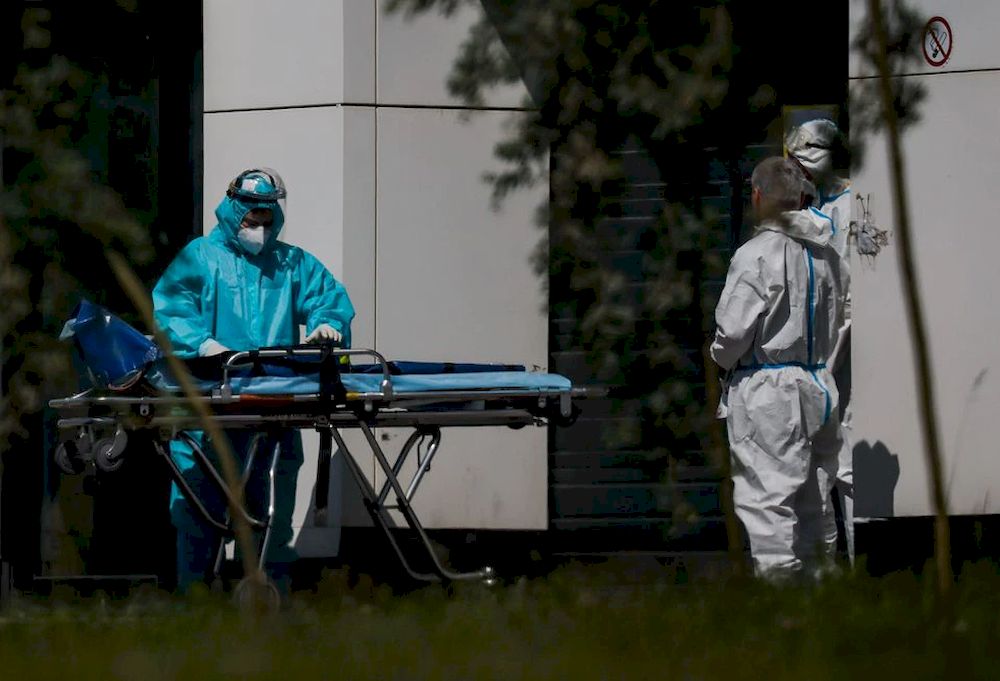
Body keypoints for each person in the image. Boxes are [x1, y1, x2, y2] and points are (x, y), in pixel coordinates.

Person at [152, 167, 355, 592]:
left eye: (266, 219)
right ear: (233, 212)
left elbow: (327, 298)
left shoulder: (290, 263)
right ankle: (197, 607)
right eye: (251, 219)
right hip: (208, 411)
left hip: (271, 410)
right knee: (198, 515)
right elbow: (172, 309)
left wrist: (328, 325)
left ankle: (267, 605)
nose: (259, 229)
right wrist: (202, 344)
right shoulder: (199, 258)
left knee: (269, 518)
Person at [711, 156, 846, 580]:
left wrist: (718, 359)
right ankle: (822, 598)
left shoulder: (755, 254)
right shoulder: (827, 253)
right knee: (816, 505)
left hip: (768, 392)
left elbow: (732, 334)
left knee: (767, 506)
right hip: (819, 383)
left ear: (757, 196)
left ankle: (781, 605)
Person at [786, 118, 855, 565]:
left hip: (838, 357)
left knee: (844, 464)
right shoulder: (816, 209)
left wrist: (826, 364)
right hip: (814, 358)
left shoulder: (849, 208)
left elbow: (847, 300)